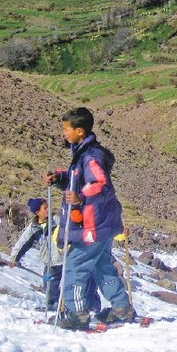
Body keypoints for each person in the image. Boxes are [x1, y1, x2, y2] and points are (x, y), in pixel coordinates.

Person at [45, 107, 134, 329]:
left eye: (66, 129)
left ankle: (78, 314)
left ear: (80, 131)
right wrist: (60, 178)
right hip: (102, 224)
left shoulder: (91, 157)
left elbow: (101, 186)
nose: (64, 133)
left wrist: (81, 197)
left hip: (91, 225)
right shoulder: (83, 154)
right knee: (102, 266)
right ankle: (121, 308)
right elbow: (79, 181)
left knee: (75, 267)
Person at [9, 198, 63, 311]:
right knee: (48, 283)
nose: (49, 209)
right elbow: (23, 242)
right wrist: (15, 257)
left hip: (64, 259)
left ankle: (70, 307)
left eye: (48, 206)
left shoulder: (57, 221)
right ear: (37, 212)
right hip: (50, 262)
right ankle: (53, 305)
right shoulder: (34, 228)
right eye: (45, 208)